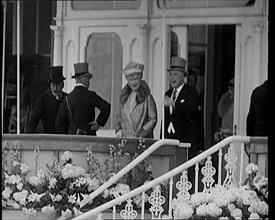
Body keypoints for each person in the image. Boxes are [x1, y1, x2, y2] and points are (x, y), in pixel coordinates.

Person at [55, 62, 110, 135]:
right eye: (88, 79)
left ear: (76, 80)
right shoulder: (90, 95)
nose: (89, 82)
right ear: (85, 79)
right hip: (89, 138)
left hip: (72, 140)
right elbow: (106, 106)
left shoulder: (67, 99)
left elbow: (59, 125)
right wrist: (98, 122)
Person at [164, 56, 200, 158]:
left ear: (183, 76)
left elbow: (191, 110)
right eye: (171, 75)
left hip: (184, 143)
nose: (172, 78)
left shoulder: (190, 92)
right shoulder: (168, 93)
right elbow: (166, 120)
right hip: (169, 142)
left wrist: (174, 104)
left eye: (175, 75)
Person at [115, 62, 157, 138]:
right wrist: (119, 130)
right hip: (126, 141)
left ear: (140, 78)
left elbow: (153, 119)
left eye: (135, 79)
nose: (133, 83)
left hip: (141, 141)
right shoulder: (124, 98)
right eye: (130, 80)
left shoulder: (148, 98)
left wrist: (142, 132)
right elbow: (119, 117)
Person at [25, 66, 67, 133]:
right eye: (53, 85)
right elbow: (32, 122)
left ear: (63, 85)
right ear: (50, 85)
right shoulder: (43, 100)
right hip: (48, 138)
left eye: (58, 84)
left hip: (64, 139)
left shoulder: (67, 99)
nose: (55, 88)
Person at [214, 78, 234, 142]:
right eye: (228, 90)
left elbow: (237, 129)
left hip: (232, 143)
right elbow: (220, 113)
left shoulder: (237, 108)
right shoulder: (228, 105)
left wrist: (223, 132)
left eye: (231, 90)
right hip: (224, 142)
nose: (229, 92)